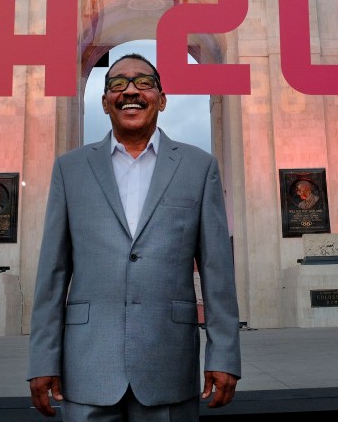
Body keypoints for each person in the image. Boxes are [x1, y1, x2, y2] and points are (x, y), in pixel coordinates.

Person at [28, 53, 241, 421]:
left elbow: (216, 270)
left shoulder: (198, 167)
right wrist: (42, 358)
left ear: (161, 98)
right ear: (104, 101)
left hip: (168, 361)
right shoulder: (70, 169)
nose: (130, 91)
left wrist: (223, 354)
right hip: (87, 365)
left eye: (143, 82)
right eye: (117, 84)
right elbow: (53, 272)